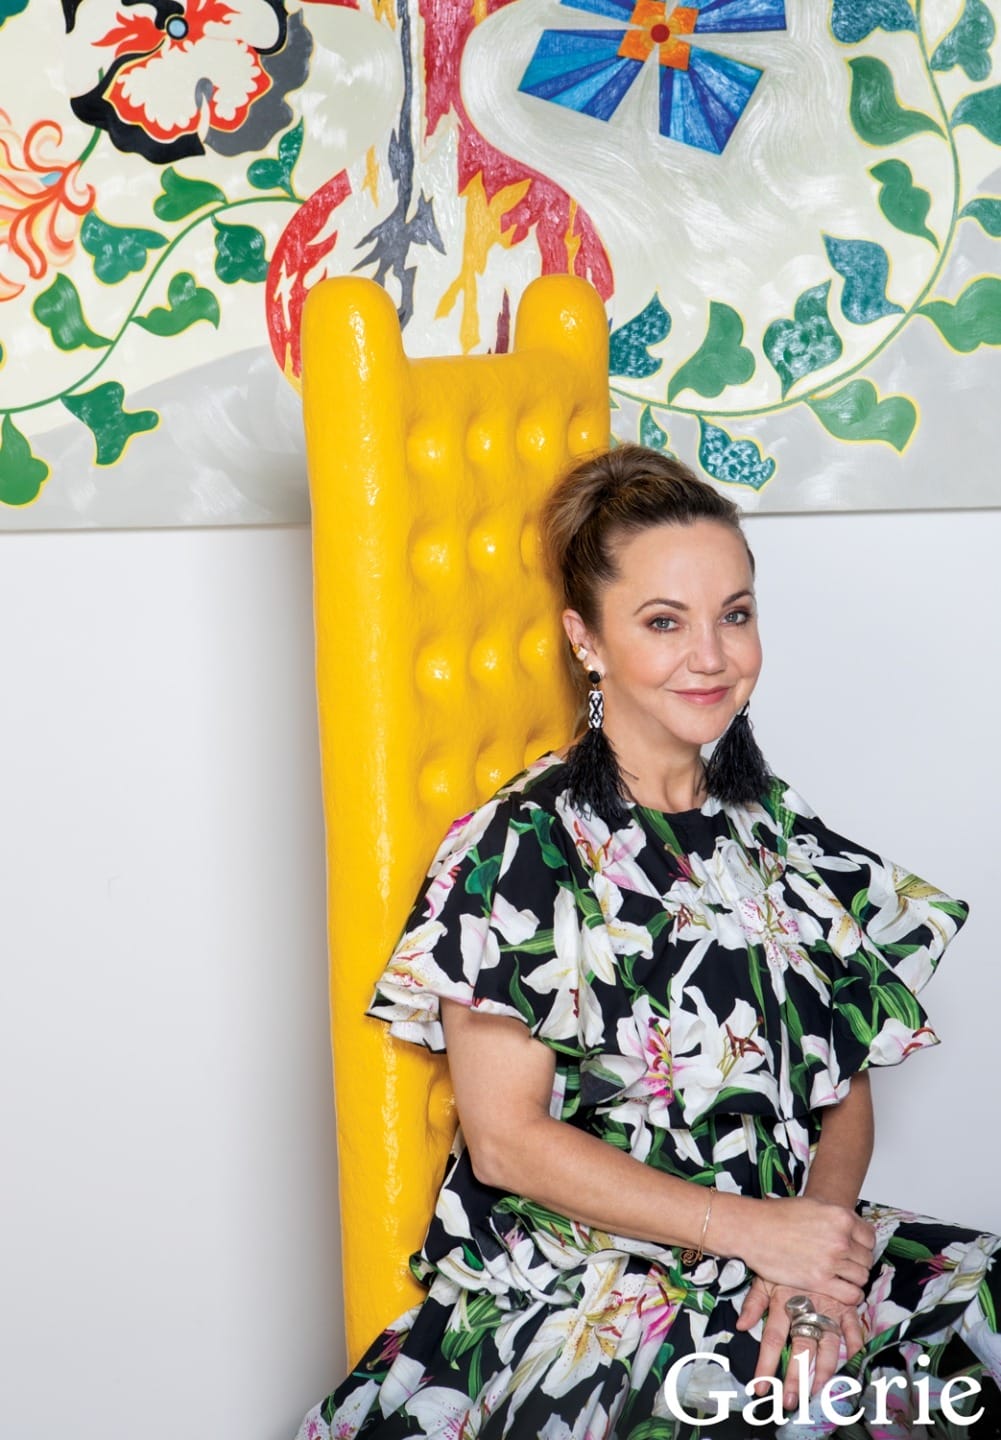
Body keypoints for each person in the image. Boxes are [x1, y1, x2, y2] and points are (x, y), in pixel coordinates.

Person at [296, 445, 1000, 1439]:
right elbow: (505, 1142)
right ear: (585, 640)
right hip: (592, 1284)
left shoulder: (768, 824)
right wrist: (754, 1235)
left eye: (734, 614)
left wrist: (819, 1260)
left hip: (778, 1249)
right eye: (663, 622)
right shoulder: (524, 845)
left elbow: (842, 1088)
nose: (710, 657)